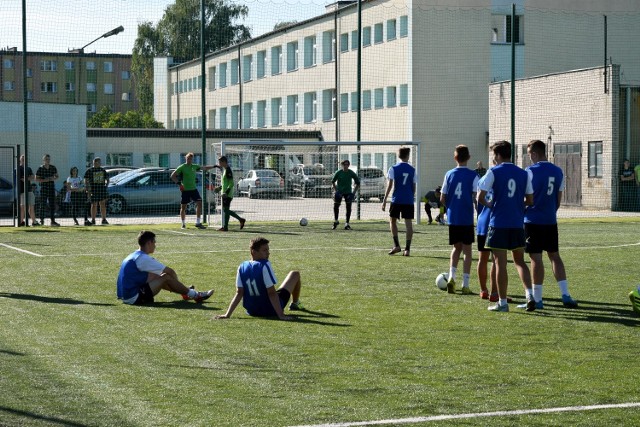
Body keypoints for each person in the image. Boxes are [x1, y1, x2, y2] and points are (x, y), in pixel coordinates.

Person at [477, 140, 535, 312]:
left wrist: (491, 205)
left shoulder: (493, 172)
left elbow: (480, 196)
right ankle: (530, 295)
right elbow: (530, 201)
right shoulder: (524, 173)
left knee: (499, 262)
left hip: (499, 223)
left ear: (497, 155)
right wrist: (517, 205)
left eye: (493, 155)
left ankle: (502, 303)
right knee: (520, 261)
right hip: (517, 223)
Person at [521, 140, 578, 310]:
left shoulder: (529, 172)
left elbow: (526, 199)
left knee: (536, 259)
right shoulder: (558, 171)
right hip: (550, 221)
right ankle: (565, 294)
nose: (529, 157)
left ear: (534, 153)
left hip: (532, 221)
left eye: (529, 153)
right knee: (555, 256)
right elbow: (558, 201)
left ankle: (538, 299)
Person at [215, 237, 304, 320]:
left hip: (252, 311)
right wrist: (281, 315)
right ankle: (295, 303)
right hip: (269, 310)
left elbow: (239, 293)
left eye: (268, 250)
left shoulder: (241, 266)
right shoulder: (264, 265)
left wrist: (227, 314)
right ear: (253, 252)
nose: (268, 253)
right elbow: (272, 293)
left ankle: (294, 304)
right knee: (295, 274)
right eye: (264, 250)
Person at [117, 230, 214, 305]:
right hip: (133, 297)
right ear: (149, 243)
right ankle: (195, 295)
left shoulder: (134, 255)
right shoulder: (142, 258)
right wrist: (180, 286)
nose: (155, 245)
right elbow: (170, 271)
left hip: (126, 296)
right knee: (166, 276)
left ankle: (186, 292)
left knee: (157, 275)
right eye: (154, 242)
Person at [440, 145, 479, 294]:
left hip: (453, 218)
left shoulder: (449, 174)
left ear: (455, 157)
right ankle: (465, 284)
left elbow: (443, 197)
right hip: (466, 218)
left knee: (456, 248)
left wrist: (451, 206)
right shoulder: (473, 175)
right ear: (469, 157)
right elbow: (477, 196)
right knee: (468, 251)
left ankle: (451, 278)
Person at [382, 147, 416, 256]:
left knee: (392, 221)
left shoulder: (393, 168)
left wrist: (384, 200)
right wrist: (410, 196)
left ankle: (396, 245)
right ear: (408, 156)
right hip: (408, 200)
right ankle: (407, 249)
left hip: (396, 199)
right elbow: (413, 187)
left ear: (399, 155)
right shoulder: (413, 170)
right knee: (408, 224)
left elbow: (390, 185)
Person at [171, 152, 215, 229]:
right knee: (183, 207)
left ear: (192, 159)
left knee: (199, 203)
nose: (189, 160)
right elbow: (173, 176)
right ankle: (183, 224)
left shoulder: (194, 166)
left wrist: (214, 166)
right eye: (188, 158)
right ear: (186, 159)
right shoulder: (182, 167)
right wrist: (179, 184)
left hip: (193, 189)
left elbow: (204, 168)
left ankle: (198, 223)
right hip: (185, 190)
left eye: (191, 159)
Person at [214, 156, 246, 231]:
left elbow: (231, 183)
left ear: (224, 162)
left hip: (227, 194)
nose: (219, 164)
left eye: (220, 162)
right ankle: (225, 227)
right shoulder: (225, 170)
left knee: (226, 210)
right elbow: (225, 183)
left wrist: (226, 192)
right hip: (225, 193)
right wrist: (219, 188)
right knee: (226, 210)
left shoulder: (228, 170)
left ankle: (240, 219)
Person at [331, 159, 360, 230]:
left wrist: (353, 193)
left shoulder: (351, 173)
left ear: (349, 165)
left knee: (348, 207)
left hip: (348, 192)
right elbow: (333, 181)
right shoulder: (338, 172)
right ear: (342, 165)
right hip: (340, 192)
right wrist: (336, 191)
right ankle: (336, 220)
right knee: (336, 206)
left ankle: (347, 223)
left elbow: (358, 183)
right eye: (344, 164)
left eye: (347, 165)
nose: (346, 166)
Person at [35, 154, 60, 226]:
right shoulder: (40, 168)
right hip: (44, 188)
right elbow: (36, 179)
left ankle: (53, 221)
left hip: (51, 188)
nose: (48, 160)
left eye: (48, 159)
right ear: (44, 160)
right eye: (46, 159)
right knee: (42, 204)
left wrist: (53, 178)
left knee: (52, 205)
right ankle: (41, 220)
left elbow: (57, 176)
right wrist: (45, 180)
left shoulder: (53, 167)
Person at [84, 157, 110, 225]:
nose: (99, 163)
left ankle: (104, 219)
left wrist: (106, 186)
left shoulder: (102, 170)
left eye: (99, 162)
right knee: (94, 204)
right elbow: (86, 180)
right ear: (95, 162)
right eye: (98, 162)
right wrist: (87, 189)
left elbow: (108, 179)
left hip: (101, 189)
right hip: (93, 190)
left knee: (102, 204)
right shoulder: (89, 170)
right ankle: (93, 220)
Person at [16, 155, 39, 226]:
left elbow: (33, 177)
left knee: (31, 206)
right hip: (22, 191)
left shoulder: (28, 168)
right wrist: (28, 177)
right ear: (20, 160)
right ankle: (20, 222)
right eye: (22, 158)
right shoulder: (18, 168)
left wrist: (27, 178)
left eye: (25, 158)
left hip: (29, 190)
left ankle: (34, 222)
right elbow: (21, 179)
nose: (23, 160)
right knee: (22, 207)